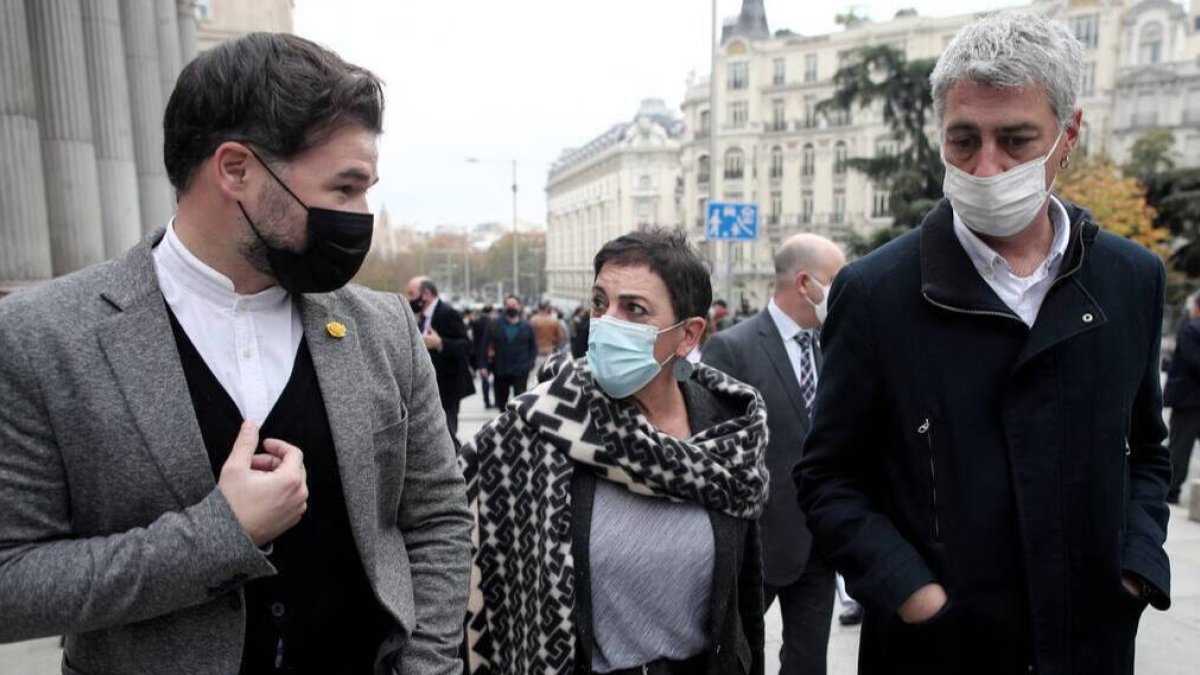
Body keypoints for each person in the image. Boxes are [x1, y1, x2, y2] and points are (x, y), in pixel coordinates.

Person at [0, 33, 472, 674]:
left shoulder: (384, 328)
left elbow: (437, 519)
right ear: (236, 170)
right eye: (344, 188)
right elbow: (12, 583)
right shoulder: (41, 337)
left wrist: (425, 668)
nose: (361, 214)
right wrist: (217, 537)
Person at [796, 13, 1171, 675]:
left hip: (1088, 646)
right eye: (963, 139)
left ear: (1069, 135)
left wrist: (1137, 568)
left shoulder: (1130, 279)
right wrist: (918, 597)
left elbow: (1148, 450)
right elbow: (828, 477)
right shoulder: (877, 291)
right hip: (937, 653)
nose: (986, 165)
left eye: (1016, 139)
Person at [462, 228, 768, 675]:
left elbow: (744, 597)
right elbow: (450, 528)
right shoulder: (539, 424)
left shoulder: (729, 434)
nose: (606, 323)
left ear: (687, 335)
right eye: (600, 303)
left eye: (634, 309)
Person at [703, 233, 844, 675]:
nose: (845, 292)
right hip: (753, 547)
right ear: (805, 283)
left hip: (818, 545)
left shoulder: (835, 346)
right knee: (736, 660)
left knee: (807, 664)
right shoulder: (732, 347)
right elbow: (715, 451)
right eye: (837, 281)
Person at [406, 276, 475, 438]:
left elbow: (466, 345)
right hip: (426, 386)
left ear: (426, 294)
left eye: (412, 294)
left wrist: (440, 343)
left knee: (447, 434)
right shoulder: (419, 317)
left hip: (447, 386)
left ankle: (454, 461)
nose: (409, 299)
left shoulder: (448, 313)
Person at [1165, 291, 1200, 504]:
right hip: (1191, 398)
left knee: (1180, 446)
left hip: (1188, 399)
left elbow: (1191, 361)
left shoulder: (1191, 329)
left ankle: (1171, 489)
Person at [485, 295, 537, 410]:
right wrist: (485, 365)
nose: (511, 307)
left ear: (519, 306)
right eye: (508, 305)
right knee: (501, 399)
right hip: (501, 369)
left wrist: (530, 364)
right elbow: (486, 345)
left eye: (514, 305)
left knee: (520, 400)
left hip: (521, 370)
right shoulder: (495, 324)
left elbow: (533, 347)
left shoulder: (527, 326)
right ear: (504, 307)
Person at [471, 305, 496, 408]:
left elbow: (474, 339)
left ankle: (486, 401)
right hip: (492, 354)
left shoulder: (476, 322)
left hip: (480, 354)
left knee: (484, 379)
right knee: (497, 379)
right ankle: (497, 400)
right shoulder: (494, 323)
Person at [531, 300, 566, 372]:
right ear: (547, 308)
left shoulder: (533, 320)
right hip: (550, 352)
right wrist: (552, 339)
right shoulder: (554, 321)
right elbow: (561, 337)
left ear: (539, 308)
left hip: (536, 353)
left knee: (535, 375)